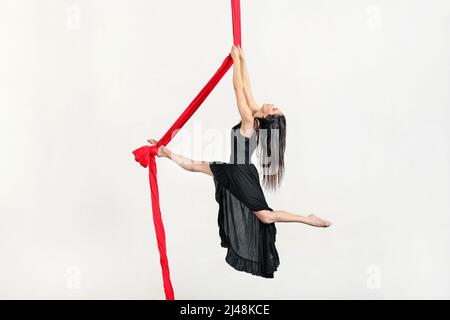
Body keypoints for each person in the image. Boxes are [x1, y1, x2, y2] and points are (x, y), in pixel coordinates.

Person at [148, 45, 331, 278]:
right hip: (235, 169)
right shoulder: (255, 113)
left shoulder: (248, 120)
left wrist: (235, 62)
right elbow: (247, 86)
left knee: (265, 216)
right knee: (194, 166)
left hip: (241, 173)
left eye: (274, 108)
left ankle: (309, 219)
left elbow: (238, 88)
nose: (272, 103)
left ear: (267, 117)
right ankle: (165, 152)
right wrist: (243, 60)